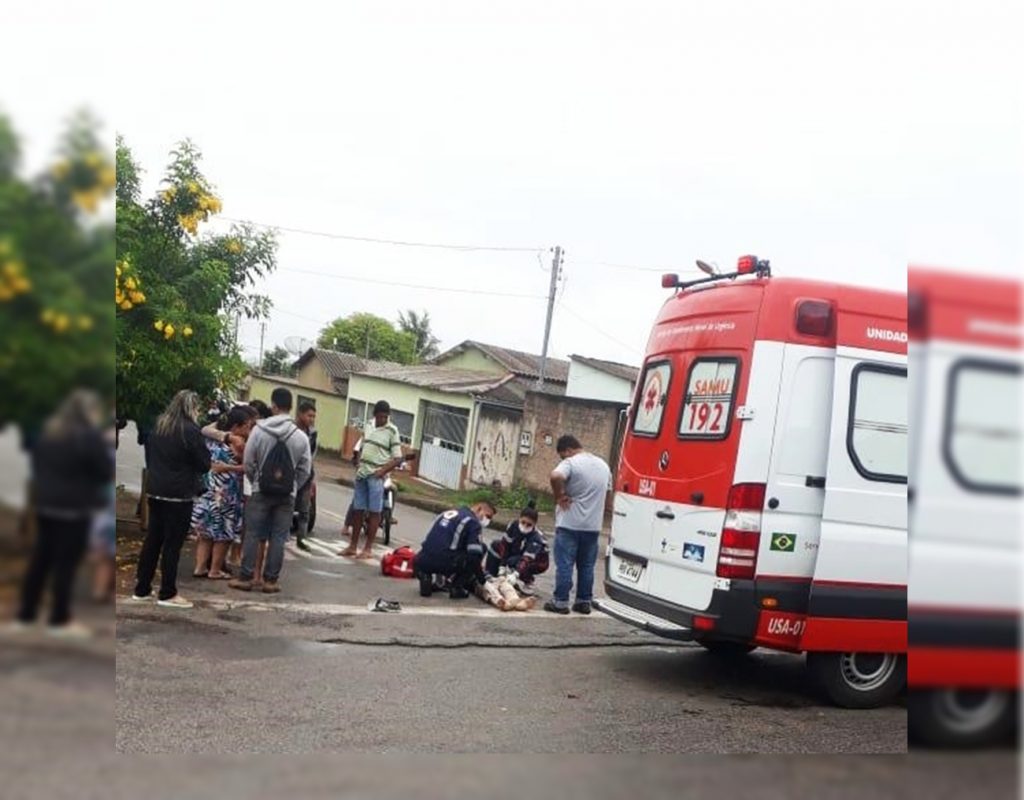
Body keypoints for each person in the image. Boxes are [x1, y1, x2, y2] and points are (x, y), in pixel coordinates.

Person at [13, 390, 114, 637]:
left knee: (40, 560)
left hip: (47, 505)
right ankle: (59, 619)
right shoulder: (88, 437)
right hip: (74, 508)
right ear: (88, 412)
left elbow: (35, 464)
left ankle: (26, 615)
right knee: (65, 564)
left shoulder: (50, 434)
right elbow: (103, 471)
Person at [131, 390, 212, 609]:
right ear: (192, 408)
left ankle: (142, 588)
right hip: (179, 494)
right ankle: (167, 592)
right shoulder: (191, 431)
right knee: (172, 545)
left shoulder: (159, 425)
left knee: (153, 541)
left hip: (156, 489)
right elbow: (204, 463)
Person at [229, 387, 310, 594]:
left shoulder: (259, 430)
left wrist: (256, 479)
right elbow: (305, 470)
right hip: (286, 495)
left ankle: (246, 578)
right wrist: (292, 486)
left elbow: (248, 461)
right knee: (278, 537)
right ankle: (270, 581)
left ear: (273, 405)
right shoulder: (300, 437)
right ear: (291, 407)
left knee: (253, 534)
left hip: (260, 490)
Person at [545, 434, 612, 615]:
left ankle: (560, 602)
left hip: (569, 523)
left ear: (568, 450)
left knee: (565, 564)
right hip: (592, 526)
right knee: (586, 566)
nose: (563, 459)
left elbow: (555, 476)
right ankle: (583, 602)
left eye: (562, 456)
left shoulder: (571, 462)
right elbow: (609, 496)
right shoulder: (604, 466)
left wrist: (559, 495)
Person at [192, 406, 252, 579]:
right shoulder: (239, 444)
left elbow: (206, 429)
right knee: (224, 534)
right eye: (246, 426)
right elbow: (248, 466)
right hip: (228, 493)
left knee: (206, 533)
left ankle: (200, 567)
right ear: (236, 427)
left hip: (209, 489)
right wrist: (235, 467)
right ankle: (215, 570)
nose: (248, 430)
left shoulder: (212, 438)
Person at [339, 400, 402, 560]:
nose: (382, 420)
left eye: (385, 417)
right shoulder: (368, 425)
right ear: (374, 415)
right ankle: (353, 546)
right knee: (358, 510)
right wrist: (359, 462)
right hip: (362, 474)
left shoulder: (392, 431)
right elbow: (362, 445)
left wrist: (381, 471)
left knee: (375, 512)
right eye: (379, 417)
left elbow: (397, 458)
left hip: (376, 476)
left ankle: (367, 548)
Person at [414, 501, 495, 599]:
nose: (487, 521)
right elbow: (474, 557)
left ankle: (425, 576)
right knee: (480, 549)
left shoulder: (446, 513)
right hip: (446, 563)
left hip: (422, 560)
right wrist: (482, 581)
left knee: (439, 550)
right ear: (479, 509)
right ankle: (457, 587)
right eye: (488, 516)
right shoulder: (472, 522)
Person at [484, 501, 549, 592]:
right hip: (520, 552)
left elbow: (527, 559)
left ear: (534, 525)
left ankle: (528, 582)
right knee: (496, 545)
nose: (525, 526)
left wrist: (516, 574)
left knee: (513, 561)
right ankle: (491, 575)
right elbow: (504, 545)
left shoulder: (536, 538)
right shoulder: (513, 525)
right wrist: (502, 566)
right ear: (519, 519)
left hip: (538, 562)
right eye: (523, 522)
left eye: (529, 525)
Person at [292, 400, 318, 551]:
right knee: (287, 507)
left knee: (304, 510)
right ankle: (283, 536)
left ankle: (301, 538)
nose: (312, 419)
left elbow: (312, 455)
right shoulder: (291, 430)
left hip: (307, 475)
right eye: (309, 415)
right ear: (300, 414)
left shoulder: (312, 433)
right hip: (291, 474)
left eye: (314, 416)